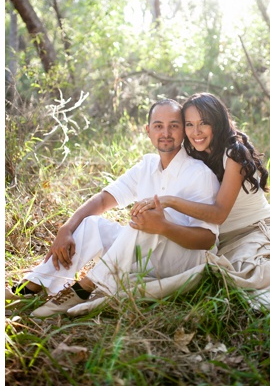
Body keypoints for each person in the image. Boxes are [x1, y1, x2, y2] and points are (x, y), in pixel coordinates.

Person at [5, 99, 221, 318]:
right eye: (158, 126)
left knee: (143, 218)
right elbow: (102, 201)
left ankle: (83, 288)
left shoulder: (199, 174)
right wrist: (67, 228)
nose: (166, 132)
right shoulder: (147, 166)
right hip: (146, 253)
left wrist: (163, 227)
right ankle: (32, 286)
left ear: (183, 130)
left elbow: (207, 240)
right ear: (148, 131)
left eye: (174, 125)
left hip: (182, 260)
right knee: (91, 223)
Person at [131, 92, 270, 291]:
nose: (196, 132)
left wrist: (169, 200)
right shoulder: (192, 153)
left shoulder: (234, 154)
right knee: (207, 277)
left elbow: (219, 213)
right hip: (221, 241)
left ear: (218, 123)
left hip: (257, 231)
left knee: (241, 277)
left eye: (204, 123)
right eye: (189, 124)